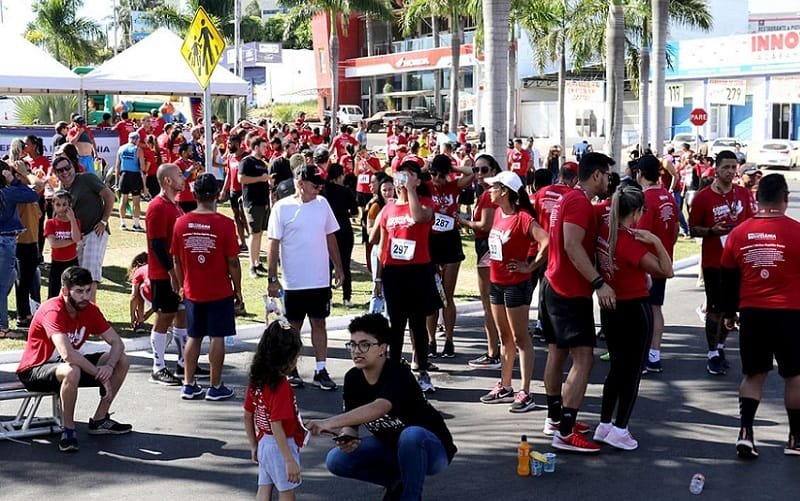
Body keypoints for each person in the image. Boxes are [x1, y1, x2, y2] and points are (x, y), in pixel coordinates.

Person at [305, 314, 456, 500]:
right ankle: (396, 483)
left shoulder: (398, 374)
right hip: (390, 447)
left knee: (411, 435)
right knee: (336, 460)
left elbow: (379, 407)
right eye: (352, 344)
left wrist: (328, 422)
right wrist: (348, 437)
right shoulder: (353, 378)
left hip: (433, 451)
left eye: (364, 344)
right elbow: (352, 423)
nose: (356, 351)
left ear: (382, 348)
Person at [719, 174, 800, 458]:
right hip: (791, 314)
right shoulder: (797, 231)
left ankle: (745, 433)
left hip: (753, 314)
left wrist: (728, 314)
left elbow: (727, 277)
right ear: (785, 199)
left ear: (757, 199)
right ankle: (795, 438)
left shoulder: (740, 233)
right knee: (795, 376)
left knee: (754, 375)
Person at [16, 266, 132, 452]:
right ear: (65, 291)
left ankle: (100, 419)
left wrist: (109, 367)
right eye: (79, 291)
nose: (85, 296)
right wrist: (100, 375)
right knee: (72, 368)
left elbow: (117, 343)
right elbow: (68, 354)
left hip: (66, 367)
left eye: (88, 290)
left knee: (121, 360)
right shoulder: (52, 310)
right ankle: (69, 430)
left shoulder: (90, 309)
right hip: (35, 369)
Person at [543, 152, 614, 452]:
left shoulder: (571, 199)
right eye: (607, 175)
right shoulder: (579, 203)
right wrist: (599, 282)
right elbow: (572, 245)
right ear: (596, 175)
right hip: (568, 291)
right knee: (584, 358)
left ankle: (555, 419)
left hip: (553, 284)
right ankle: (566, 432)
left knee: (557, 353)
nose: (609, 180)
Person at [594, 186, 674, 450]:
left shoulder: (605, 232)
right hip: (633, 308)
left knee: (617, 368)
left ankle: (605, 424)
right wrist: (656, 241)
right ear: (637, 211)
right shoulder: (629, 241)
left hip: (611, 308)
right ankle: (620, 428)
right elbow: (666, 270)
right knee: (631, 372)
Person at [267, 165, 345, 391]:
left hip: (320, 279)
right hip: (294, 280)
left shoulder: (323, 205)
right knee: (293, 327)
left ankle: (321, 369)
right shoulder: (282, 208)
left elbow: (330, 236)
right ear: (299, 184)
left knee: (319, 323)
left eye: (320, 184)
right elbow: (273, 243)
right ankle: (291, 368)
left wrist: (339, 267)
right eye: (314, 185)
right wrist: (272, 277)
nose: (318, 188)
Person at [478, 170, 548, 412]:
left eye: (494, 187)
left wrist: (529, 266)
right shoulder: (498, 213)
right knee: (504, 336)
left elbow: (546, 241)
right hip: (496, 283)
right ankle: (505, 385)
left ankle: (525, 391)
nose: (490, 191)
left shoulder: (523, 218)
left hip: (517, 284)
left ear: (505, 191)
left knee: (520, 339)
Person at [172, 174, 242, 401]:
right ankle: (215, 385)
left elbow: (176, 259)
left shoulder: (181, 222)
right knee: (217, 336)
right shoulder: (225, 224)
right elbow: (233, 261)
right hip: (219, 289)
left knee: (194, 336)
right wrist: (238, 290)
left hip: (193, 289)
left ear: (195, 194)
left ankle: (188, 383)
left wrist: (182, 284)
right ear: (216, 194)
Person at [374, 161, 442, 393]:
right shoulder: (388, 209)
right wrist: (378, 278)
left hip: (418, 270)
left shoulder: (425, 203)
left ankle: (421, 369)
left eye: (410, 174)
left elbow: (420, 217)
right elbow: (383, 245)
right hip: (394, 272)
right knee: (396, 324)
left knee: (417, 324)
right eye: (401, 174)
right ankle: (392, 370)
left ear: (418, 179)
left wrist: (411, 189)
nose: (403, 178)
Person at [689, 149, 754, 375]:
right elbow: (692, 229)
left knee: (731, 311)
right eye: (725, 167)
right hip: (714, 262)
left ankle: (720, 346)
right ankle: (712, 354)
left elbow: (753, 222)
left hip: (739, 262)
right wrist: (711, 231)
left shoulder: (743, 195)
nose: (730, 171)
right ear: (716, 169)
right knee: (715, 309)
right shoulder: (703, 197)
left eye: (733, 167)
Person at [244, 320, 305, 500]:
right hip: (281, 446)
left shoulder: (257, 380)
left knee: (264, 489)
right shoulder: (281, 386)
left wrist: (254, 445)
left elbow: (248, 415)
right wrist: (288, 459)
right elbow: (276, 423)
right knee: (286, 492)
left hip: (264, 442)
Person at [145, 163, 191, 386]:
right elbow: (156, 244)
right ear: (167, 181)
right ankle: (158, 366)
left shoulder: (176, 206)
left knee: (181, 315)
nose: (184, 178)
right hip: (163, 274)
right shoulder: (157, 206)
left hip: (179, 273)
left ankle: (184, 362)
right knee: (164, 317)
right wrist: (172, 274)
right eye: (179, 175)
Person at [634, 155, 679, 374]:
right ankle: (654, 355)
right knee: (656, 308)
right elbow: (676, 229)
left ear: (639, 174)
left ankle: (645, 356)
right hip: (663, 261)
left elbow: (639, 235)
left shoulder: (645, 200)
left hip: (647, 265)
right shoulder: (667, 197)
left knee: (644, 313)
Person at [426, 154, 474, 358]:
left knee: (447, 295)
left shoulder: (454, 186)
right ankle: (431, 340)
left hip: (451, 241)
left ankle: (449, 340)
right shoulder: (426, 186)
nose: (437, 178)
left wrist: (451, 169)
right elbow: (406, 177)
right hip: (431, 242)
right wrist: (428, 167)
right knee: (432, 297)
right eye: (434, 174)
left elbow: (471, 173)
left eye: (440, 174)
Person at [457, 155, 501, 368]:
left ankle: (494, 352)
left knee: (489, 304)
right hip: (490, 249)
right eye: (477, 170)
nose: (479, 174)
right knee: (493, 304)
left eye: (484, 170)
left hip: (488, 250)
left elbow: (485, 225)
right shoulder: (491, 192)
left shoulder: (489, 195)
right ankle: (496, 350)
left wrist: (463, 221)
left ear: (494, 170)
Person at [54, 155, 115, 302]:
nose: (65, 172)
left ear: (73, 167)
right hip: (77, 236)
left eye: (67, 168)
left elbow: (109, 195)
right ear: (56, 174)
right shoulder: (61, 190)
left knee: (90, 273)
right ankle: (80, 309)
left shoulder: (87, 178)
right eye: (60, 170)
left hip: (95, 231)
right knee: (78, 274)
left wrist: (104, 221)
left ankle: (90, 310)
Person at [0, 161, 40, 338]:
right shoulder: (7, 193)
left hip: (7, 240)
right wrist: (13, 180)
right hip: (5, 240)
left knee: (9, 279)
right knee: (2, 285)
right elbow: (32, 195)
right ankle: (2, 327)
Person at [323, 163, 359, 307]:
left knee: (327, 264)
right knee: (344, 263)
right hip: (344, 228)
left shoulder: (322, 191)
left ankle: (328, 297)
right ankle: (346, 297)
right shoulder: (346, 191)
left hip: (327, 230)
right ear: (339, 176)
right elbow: (355, 212)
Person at [240, 136, 272, 278]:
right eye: (263, 146)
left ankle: (257, 262)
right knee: (254, 233)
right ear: (256, 147)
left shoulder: (263, 163)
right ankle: (252, 266)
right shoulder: (247, 161)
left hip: (263, 202)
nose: (265, 149)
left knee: (259, 234)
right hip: (252, 202)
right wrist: (260, 179)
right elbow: (241, 179)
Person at [44, 190, 81, 299]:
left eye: (65, 204)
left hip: (72, 262)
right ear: (53, 206)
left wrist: (72, 220)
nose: (61, 208)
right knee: (54, 293)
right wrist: (71, 241)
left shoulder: (76, 222)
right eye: (58, 205)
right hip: (57, 263)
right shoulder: (50, 223)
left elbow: (77, 238)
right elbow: (54, 244)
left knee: (73, 293)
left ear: (70, 206)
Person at [114, 131, 146, 232]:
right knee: (136, 202)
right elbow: (142, 166)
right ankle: (136, 224)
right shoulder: (138, 149)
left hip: (124, 175)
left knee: (123, 200)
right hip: (135, 176)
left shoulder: (121, 148)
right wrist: (144, 182)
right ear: (137, 140)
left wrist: (116, 181)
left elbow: (117, 166)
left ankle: (122, 223)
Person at [128, 252, 152, 334]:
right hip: (170, 295)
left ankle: (140, 322)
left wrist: (132, 315)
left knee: (139, 288)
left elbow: (134, 297)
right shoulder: (158, 266)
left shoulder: (139, 270)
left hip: (152, 294)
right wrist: (149, 313)